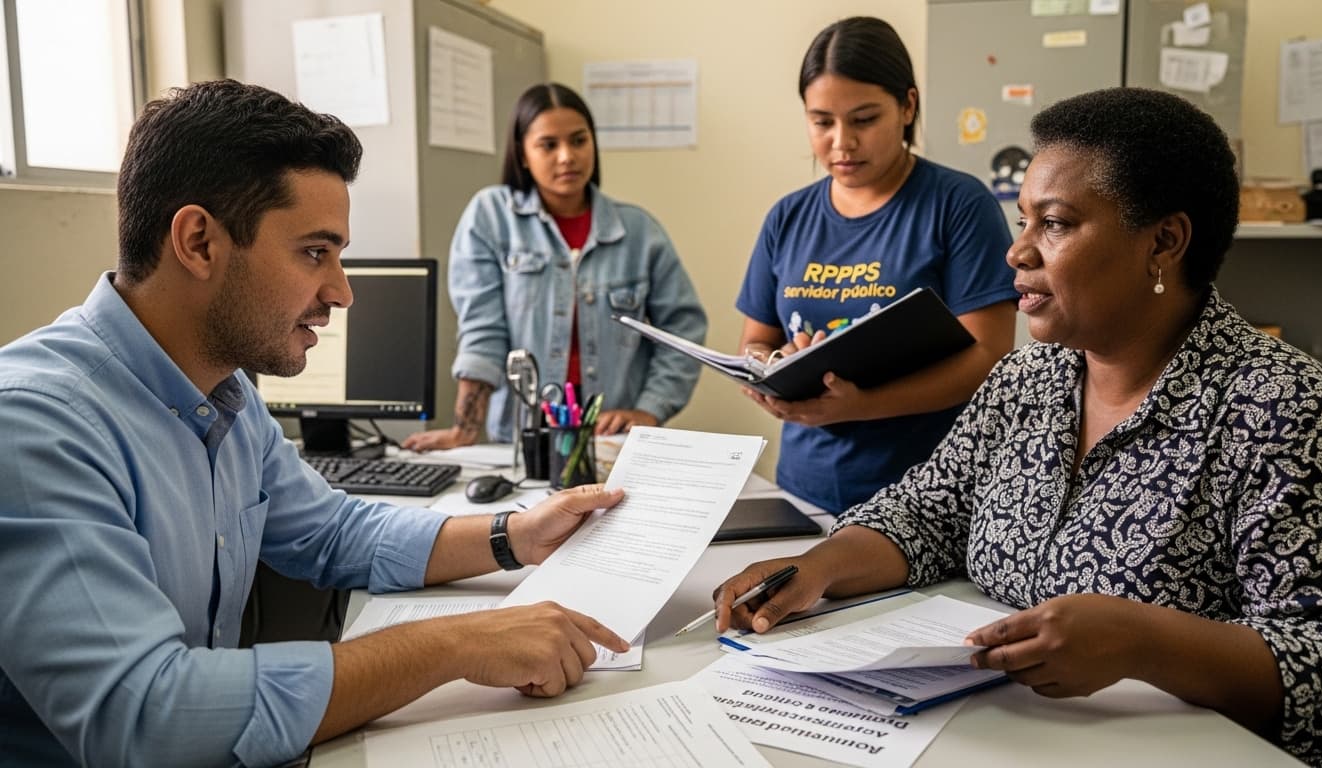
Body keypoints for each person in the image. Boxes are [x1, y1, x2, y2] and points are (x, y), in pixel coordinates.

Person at [713, 87, 1322, 766]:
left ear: (1164, 241)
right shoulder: (1029, 380)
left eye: (1056, 224)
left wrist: (1144, 642)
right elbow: (927, 512)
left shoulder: (1284, 411)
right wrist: (819, 567)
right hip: (1020, 738)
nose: (1018, 254)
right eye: (1022, 222)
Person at [0, 80, 630, 767]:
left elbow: (332, 530)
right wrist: (457, 643)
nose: (342, 291)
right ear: (199, 242)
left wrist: (515, 534)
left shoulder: (223, 391)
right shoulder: (35, 426)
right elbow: (147, 715)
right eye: (314, 252)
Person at [736, 17, 1018, 514]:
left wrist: (862, 405)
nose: (841, 142)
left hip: (928, 496)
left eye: (864, 119)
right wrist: (771, 370)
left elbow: (988, 357)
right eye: (822, 121)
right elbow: (754, 342)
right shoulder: (789, 215)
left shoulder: (959, 204)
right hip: (804, 491)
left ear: (907, 106)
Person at [402, 83, 706, 450]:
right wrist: (464, 430)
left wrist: (649, 409)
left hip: (611, 442)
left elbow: (683, 330)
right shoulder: (491, 216)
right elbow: (483, 331)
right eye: (548, 145)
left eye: (579, 141)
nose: (567, 157)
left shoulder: (638, 231)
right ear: (523, 154)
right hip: (521, 442)